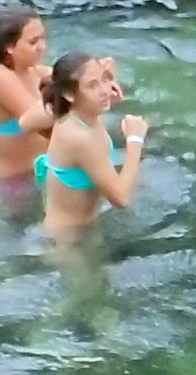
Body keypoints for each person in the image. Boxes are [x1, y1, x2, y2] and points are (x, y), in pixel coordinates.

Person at [34, 51, 150, 238]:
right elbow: (122, 198)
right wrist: (135, 140)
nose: (105, 90)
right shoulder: (79, 137)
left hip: (83, 230)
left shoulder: (78, 116)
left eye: (105, 80)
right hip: (66, 241)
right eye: (92, 85)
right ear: (69, 95)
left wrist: (102, 83)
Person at [0, 7, 55, 183]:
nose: (42, 47)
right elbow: (39, 119)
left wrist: (97, 75)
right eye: (33, 42)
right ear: (9, 47)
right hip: (13, 186)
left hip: (38, 174)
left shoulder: (34, 71)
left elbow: (71, 78)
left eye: (43, 38)